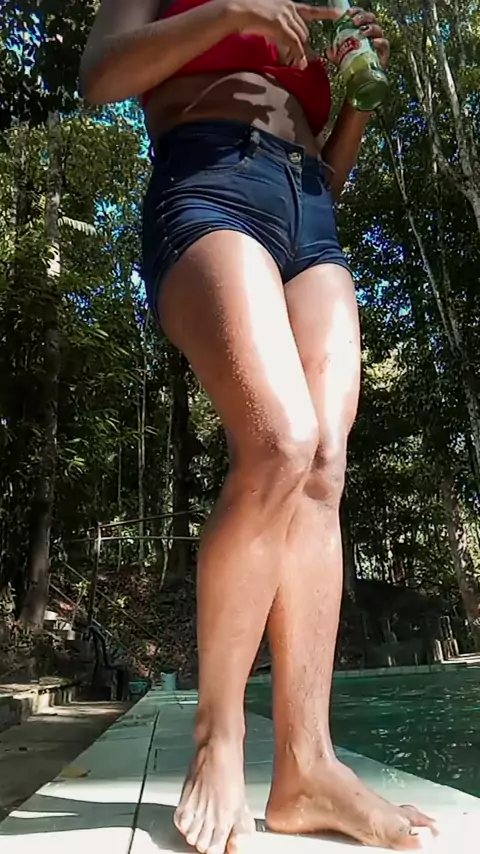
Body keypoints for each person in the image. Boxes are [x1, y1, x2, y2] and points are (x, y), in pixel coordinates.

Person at [80, 1, 437, 851]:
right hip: (209, 175)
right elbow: (100, 77)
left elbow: (331, 175)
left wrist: (356, 98)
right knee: (279, 441)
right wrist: (232, 14)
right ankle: (218, 738)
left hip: (310, 208)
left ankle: (307, 767)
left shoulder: (317, 10)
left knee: (323, 464)